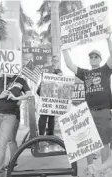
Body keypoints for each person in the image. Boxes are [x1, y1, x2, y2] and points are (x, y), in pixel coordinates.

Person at [62, 36, 112, 176]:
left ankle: (103, 169)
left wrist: (108, 39)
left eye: (96, 56)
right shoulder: (85, 73)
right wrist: (64, 48)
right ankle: (90, 167)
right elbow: (70, 65)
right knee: (88, 141)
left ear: (100, 59)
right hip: (88, 111)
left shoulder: (105, 70)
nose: (94, 58)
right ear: (89, 59)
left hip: (104, 111)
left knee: (105, 142)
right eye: (92, 57)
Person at [0, 74, 33, 177]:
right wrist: (0, 96)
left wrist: (16, 97)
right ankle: (0, 171)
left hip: (9, 115)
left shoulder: (21, 80)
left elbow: (30, 95)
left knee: (2, 145)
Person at [37, 55, 62, 136]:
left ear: (58, 62)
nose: (55, 62)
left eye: (56, 61)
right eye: (53, 60)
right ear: (51, 62)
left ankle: (50, 135)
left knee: (52, 117)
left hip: (53, 97)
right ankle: (41, 135)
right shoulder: (46, 69)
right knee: (43, 116)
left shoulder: (59, 71)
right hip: (45, 95)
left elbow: (62, 82)